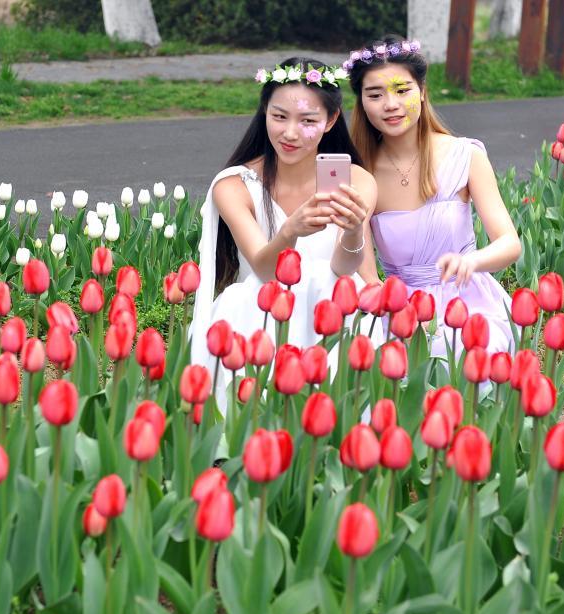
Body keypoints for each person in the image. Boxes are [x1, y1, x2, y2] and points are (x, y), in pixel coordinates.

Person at [190, 56, 381, 408]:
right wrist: (290, 231)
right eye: (279, 117)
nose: (290, 133)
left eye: (308, 120)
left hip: (332, 309)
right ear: (265, 112)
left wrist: (354, 230)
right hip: (257, 312)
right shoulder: (235, 185)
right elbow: (265, 270)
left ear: (331, 120)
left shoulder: (356, 180)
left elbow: (343, 268)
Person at [345, 37, 521, 356]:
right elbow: (367, 273)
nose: (390, 104)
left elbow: (510, 244)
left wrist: (471, 261)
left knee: (461, 353)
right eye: (375, 94)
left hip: (467, 301)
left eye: (402, 90)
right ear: (361, 102)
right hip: (397, 307)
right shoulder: (361, 174)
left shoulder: (464, 155)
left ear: (422, 92)